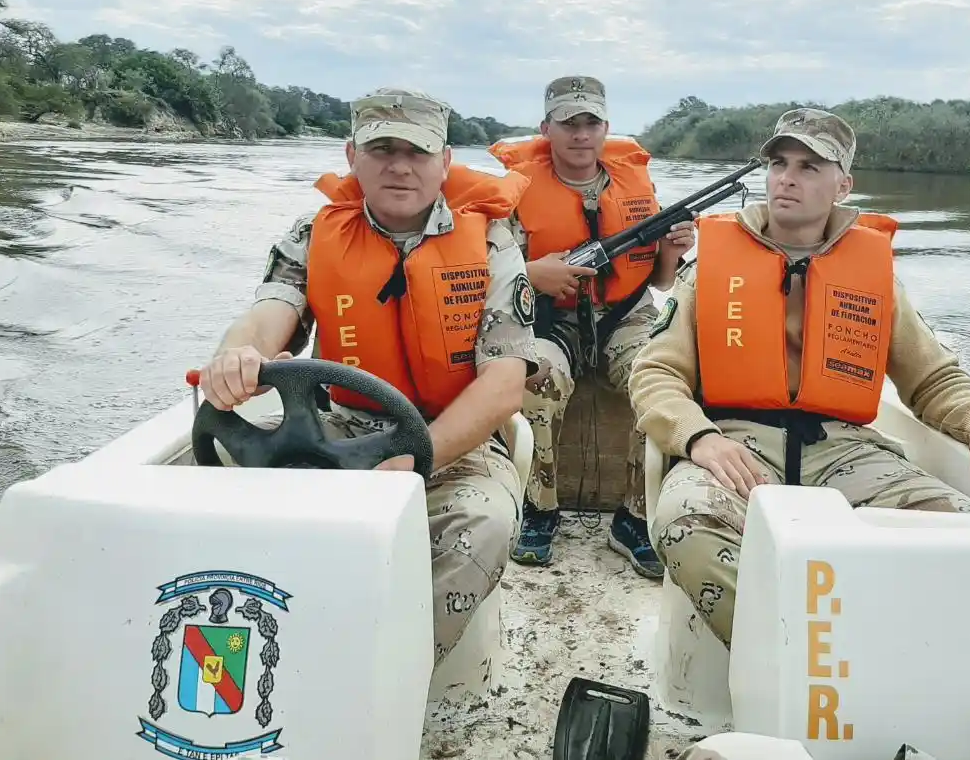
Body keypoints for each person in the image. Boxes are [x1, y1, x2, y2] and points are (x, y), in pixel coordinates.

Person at [629, 107, 970, 646]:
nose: (787, 177)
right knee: (685, 523)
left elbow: (933, 377)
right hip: (736, 442)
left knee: (965, 533)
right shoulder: (708, 268)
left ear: (843, 184)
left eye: (811, 167)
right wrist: (697, 437)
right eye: (780, 163)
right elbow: (654, 372)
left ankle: (881, 654)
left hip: (844, 450)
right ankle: (790, 659)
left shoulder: (874, 273)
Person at [195, 87, 540, 666]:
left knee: (481, 525)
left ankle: (379, 671)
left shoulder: (491, 238)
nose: (400, 166)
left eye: (418, 151)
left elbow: (506, 382)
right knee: (218, 488)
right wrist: (236, 357)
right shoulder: (313, 234)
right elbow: (268, 315)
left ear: (445, 162)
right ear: (352, 156)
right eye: (382, 149)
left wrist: (419, 456)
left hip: (454, 441)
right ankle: (257, 647)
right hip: (336, 425)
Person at [487, 75, 695, 577]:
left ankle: (634, 516)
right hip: (546, 318)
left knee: (657, 378)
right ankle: (540, 508)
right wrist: (534, 275)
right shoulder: (512, 193)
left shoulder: (636, 188)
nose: (581, 134)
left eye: (591, 123)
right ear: (546, 128)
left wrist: (672, 251)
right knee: (535, 377)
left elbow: (662, 282)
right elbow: (485, 274)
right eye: (569, 123)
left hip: (625, 315)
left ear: (605, 128)